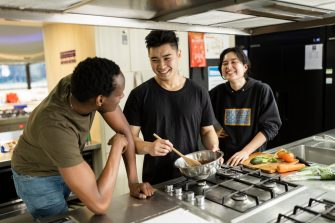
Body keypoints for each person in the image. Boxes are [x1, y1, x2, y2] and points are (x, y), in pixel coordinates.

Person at [11, 57, 155, 219]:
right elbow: (99, 205)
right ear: (100, 100)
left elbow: (124, 129)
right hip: (37, 175)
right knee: (59, 220)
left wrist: (133, 182)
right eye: (119, 95)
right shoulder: (55, 126)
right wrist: (115, 148)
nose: (122, 96)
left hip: (60, 161)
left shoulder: (81, 85)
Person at [123, 30, 219, 185]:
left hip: (194, 178)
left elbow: (207, 130)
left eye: (167, 58)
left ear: (179, 54)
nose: (161, 66)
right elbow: (128, 140)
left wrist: (213, 147)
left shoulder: (198, 92)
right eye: (154, 60)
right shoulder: (139, 95)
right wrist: (148, 147)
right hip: (156, 183)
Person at [209, 46, 282, 166]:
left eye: (234, 62)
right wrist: (214, 129)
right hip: (224, 160)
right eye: (225, 63)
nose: (228, 66)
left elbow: (271, 127)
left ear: (245, 67)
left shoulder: (261, 90)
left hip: (253, 159)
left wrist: (245, 152)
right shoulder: (215, 93)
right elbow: (201, 117)